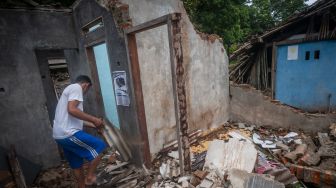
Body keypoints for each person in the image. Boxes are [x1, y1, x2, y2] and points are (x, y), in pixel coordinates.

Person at [53, 75, 106, 187]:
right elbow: (72, 110)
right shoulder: (76, 88)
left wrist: (94, 125)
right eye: (87, 90)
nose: (84, 94)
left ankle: (82, 186)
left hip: (60, 136)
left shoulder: (68, 93)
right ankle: (90, 177)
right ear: (85, 85)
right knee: (99, 146)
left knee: (77, 164)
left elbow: (76, 119)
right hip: (68, 133)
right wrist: (95, 119)